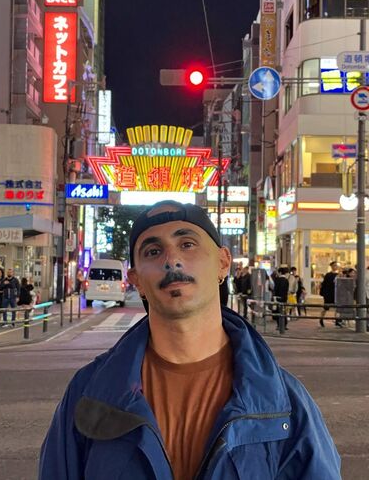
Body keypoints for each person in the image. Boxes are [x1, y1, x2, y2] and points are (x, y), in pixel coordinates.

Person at [39, 201, 341, 479]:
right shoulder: (91, 392)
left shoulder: (284, 401)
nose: (172, 260)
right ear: (136, 280)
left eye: (187, 244)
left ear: (223, 262)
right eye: (153, 251)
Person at [319, 261, 341, 328]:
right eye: (334, 265)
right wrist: (323, 293)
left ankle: (337, 321)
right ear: (331, 266)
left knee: (337, 308)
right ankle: (321, 319)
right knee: (326, 308)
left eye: (336, 265)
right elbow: (324, 284)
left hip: (335, 293)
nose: (336, 267)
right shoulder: (328, 275)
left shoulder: (339, 275)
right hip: (328, 294)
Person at [273, 266, 290, 330]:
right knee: (284, 311)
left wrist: (274, 296)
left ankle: (279, 325)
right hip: (284, 298)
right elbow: (287, 290)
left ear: (280, 272)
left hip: (278, 298)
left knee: (278, 312)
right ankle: (284, 324)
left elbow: (275, 289)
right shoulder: (286, 280)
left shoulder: (277, 280)